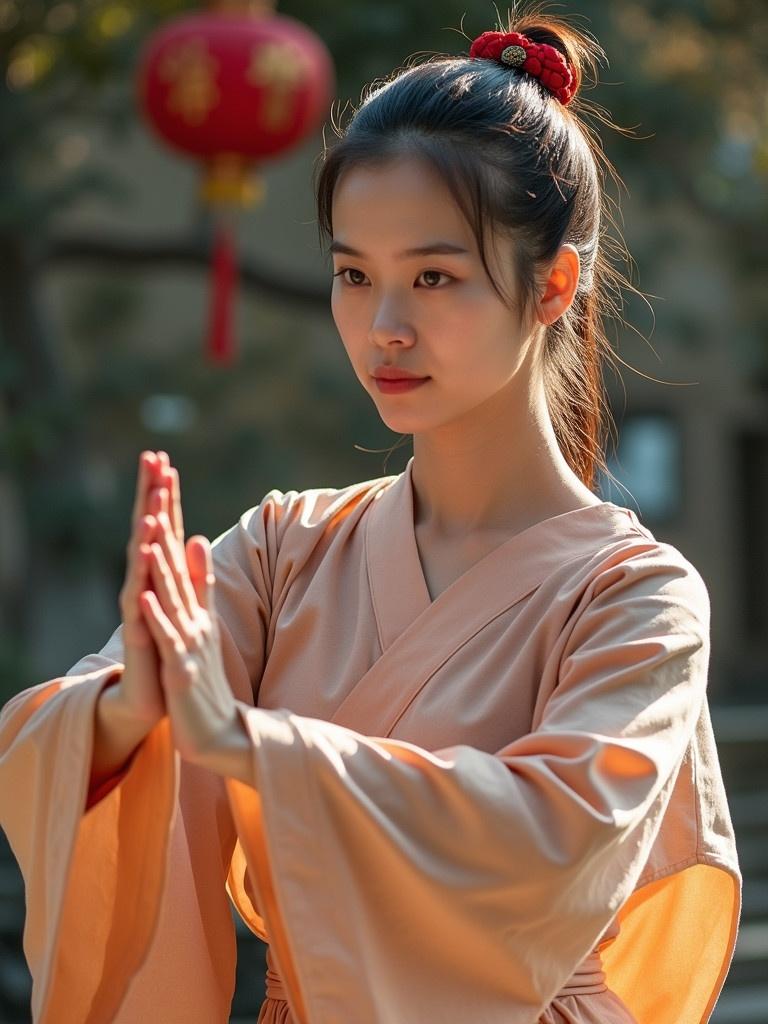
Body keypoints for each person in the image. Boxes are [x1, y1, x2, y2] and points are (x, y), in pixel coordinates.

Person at [0, 7, 741, 1024]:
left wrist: (250, 744)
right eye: (355, 275)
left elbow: (549, 840)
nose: (384, 327)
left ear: (552, 284)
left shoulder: (637, 598)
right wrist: (134, 711)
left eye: (433, 276)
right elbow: (66, 735)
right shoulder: (281, 549)